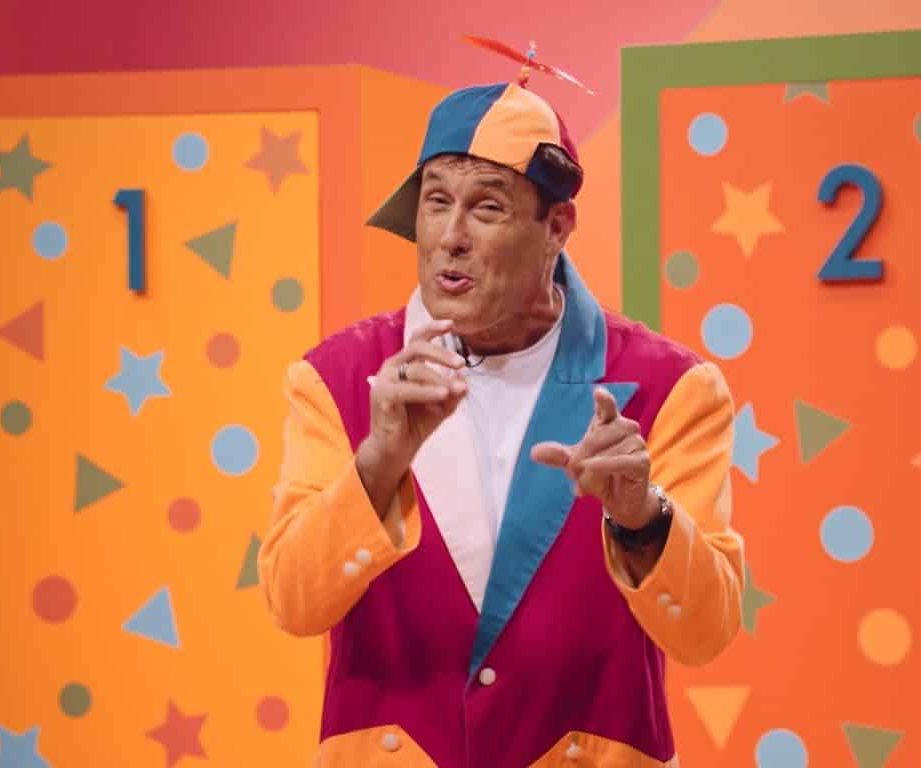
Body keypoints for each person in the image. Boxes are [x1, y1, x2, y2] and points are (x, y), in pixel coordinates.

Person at [259, 81, 744, 767]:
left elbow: (705, 635)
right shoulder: (334, 379)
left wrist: (643, 517)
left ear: (557, 227)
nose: (450, 238)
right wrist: (378, 463)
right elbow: (292, 604)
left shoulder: (672, 389)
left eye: (487, 207)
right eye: (436, 202)